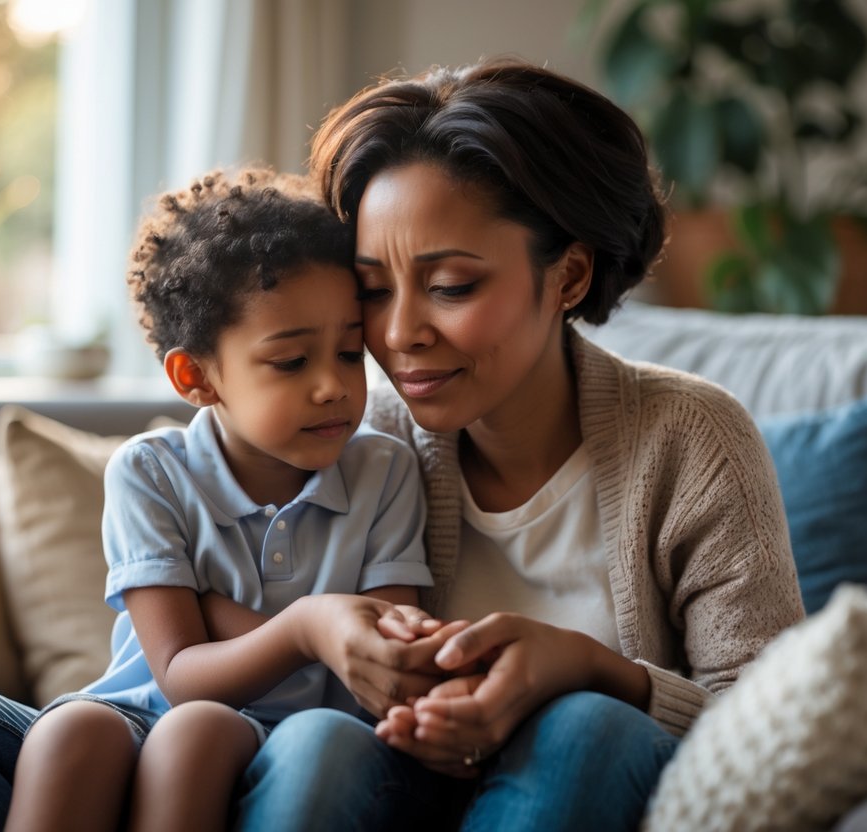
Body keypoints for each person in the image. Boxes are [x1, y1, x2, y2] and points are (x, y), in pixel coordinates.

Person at [227, 58, 807, 831]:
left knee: (584, 726)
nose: (398, 335)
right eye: (372, 289)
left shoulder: (690, 439)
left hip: (599, 786)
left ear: (567, 276)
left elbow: (779, 727)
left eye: (452, 286)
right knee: (313, 743)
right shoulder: (359, 437)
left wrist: (594, 670)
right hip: (397, 795)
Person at [0, 169, 450, 832]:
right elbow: (179, 673)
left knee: (199, 735)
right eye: (291, 361)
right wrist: (309, 627)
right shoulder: (150, 474)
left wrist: (217, 613)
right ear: (196, 377)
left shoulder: (383, 469)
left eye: (350, 352)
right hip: (133, 720)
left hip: (293, 755)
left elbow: (390, 665)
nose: (333, 386)